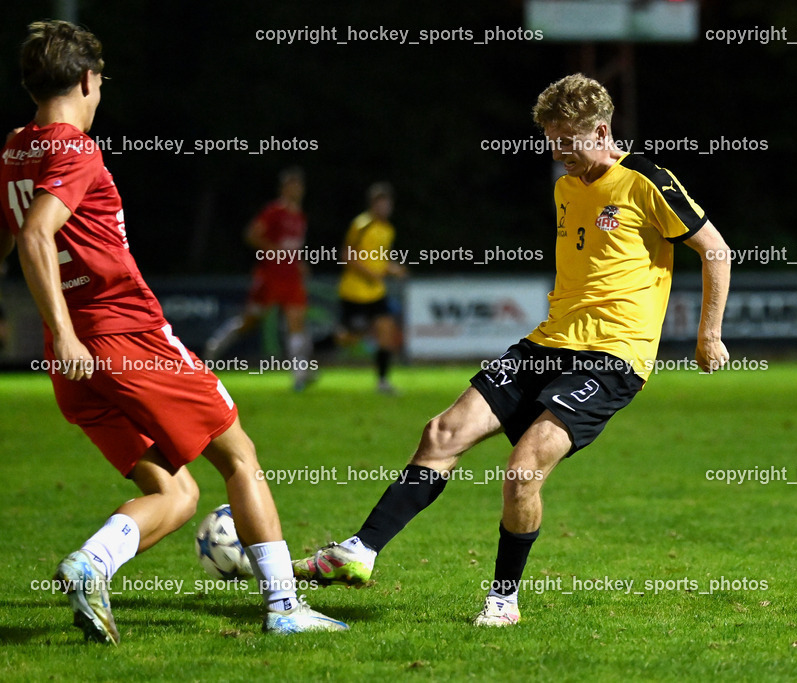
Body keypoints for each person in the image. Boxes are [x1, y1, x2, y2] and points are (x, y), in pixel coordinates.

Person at [294, 73, 732, 626]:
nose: (558, 152)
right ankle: (358, 552)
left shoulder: (646, 180)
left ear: (601, 131)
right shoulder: (566, 187)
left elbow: (715, 250)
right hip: (546, 344)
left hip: (614, 357)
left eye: (568, 140)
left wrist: (708, 334)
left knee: (523, 471)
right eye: (551, 140)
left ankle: (503, 601)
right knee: (442, 432)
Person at [0, 20, 347, 643]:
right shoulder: (75, 148)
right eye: (100, 82)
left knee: (177, 492)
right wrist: (67, 330)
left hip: (73, 362)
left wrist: (62, 337)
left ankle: (92, 563)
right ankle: (284, 607)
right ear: (88, 80)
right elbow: (33, 235)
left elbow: (10, 235)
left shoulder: (13, 150)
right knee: (239, 456)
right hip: (123, 337)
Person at [205, 166, 314, 391]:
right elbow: (252, 235)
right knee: (250, 321)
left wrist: (299, 263)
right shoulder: (274, 211)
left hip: (290, 277)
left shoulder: (300, 217)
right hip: (270, 276)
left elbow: (293, 248)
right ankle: (213, 348)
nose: (296, 189)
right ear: (283, 188)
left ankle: (300, 375)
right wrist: (275, 251)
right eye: (292, 185)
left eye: (298, 185)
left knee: (296, 321)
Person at [337, 182, 407, 393]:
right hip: (355, 292)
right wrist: (370, 274)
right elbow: (347, 255)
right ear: (372, 204)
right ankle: (311, 349)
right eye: (380, 203)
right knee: (349, 337)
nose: (384, 207)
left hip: (376, 291)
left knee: (386, 330)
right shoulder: (361, 225)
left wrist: (394, 269)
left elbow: (380, 260)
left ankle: (382, 381)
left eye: (387, 203)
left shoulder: (388, 229)